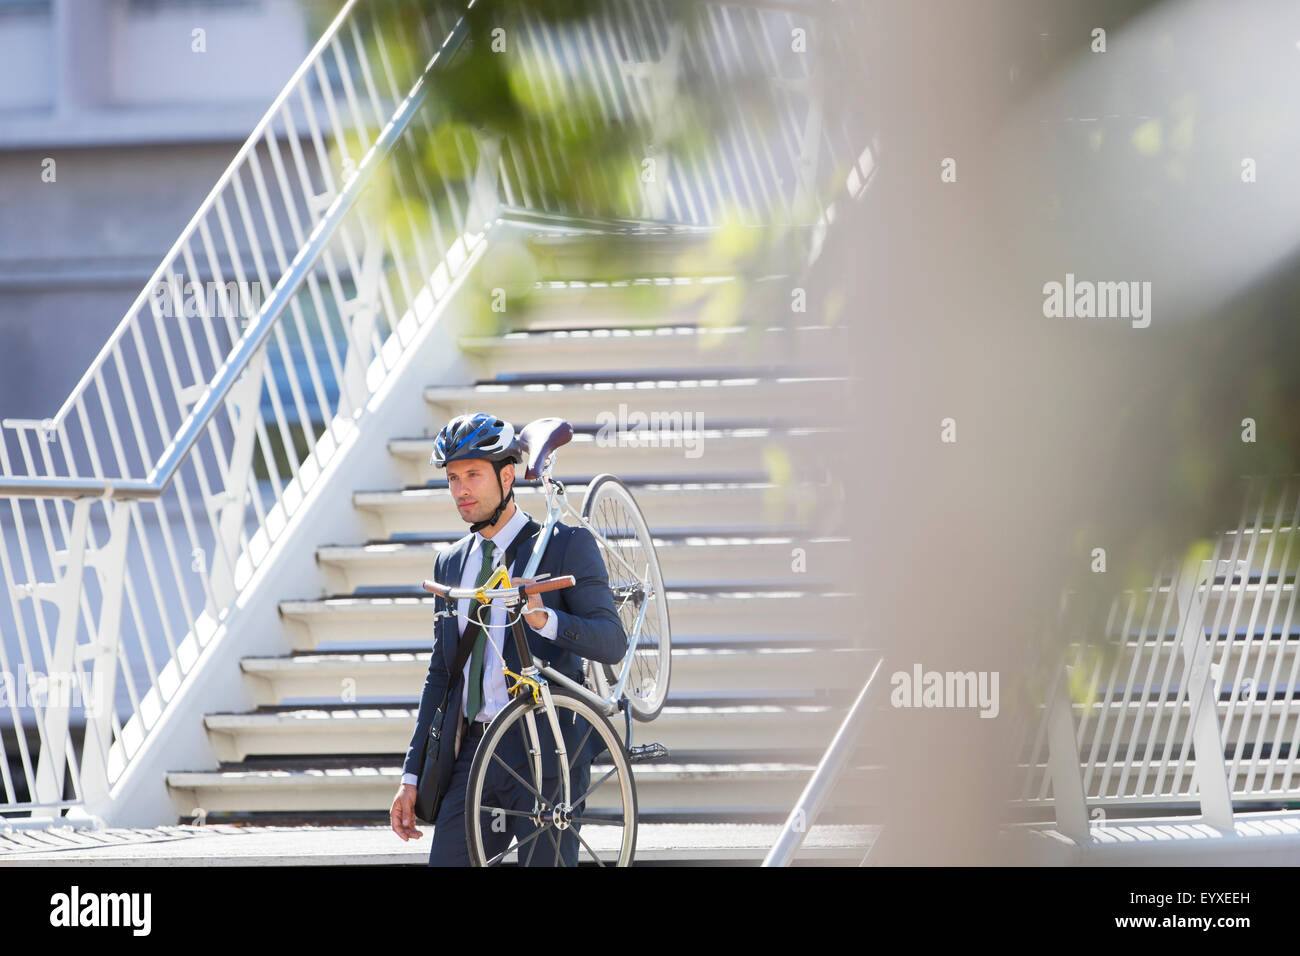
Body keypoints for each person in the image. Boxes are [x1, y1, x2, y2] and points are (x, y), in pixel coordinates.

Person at [389, 412, 627, 865]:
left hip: (548, 747)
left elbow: (612, 642)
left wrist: (546, 621)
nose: (460, 489)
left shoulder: (563, 544)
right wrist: (411, 774)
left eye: (473, 475)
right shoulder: (449, 564)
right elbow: (440, 674)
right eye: (453, 477)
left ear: (507, 475)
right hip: (477, 752)